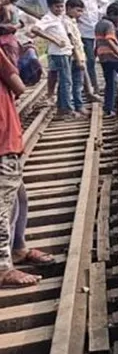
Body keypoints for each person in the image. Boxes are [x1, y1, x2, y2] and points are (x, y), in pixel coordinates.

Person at [0, 48, 47, 287]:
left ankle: (17, 248)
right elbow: (19, 86)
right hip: (2, 139)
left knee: (19, 197)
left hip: (7, 138)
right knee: (3, 206)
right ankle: (2, 267)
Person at [30, 0, 81, 118]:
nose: (59, 9)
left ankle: (61, 108)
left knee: (64, 81)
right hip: (59, 53)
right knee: (66, 81)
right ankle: (66, 110)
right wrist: (55, 40)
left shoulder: (58, 17)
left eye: (61, 6)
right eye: (57, 7)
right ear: (50, 7)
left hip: (65, 52)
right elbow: (35, 29)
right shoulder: (48, 18)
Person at [72, 0, 109, 99]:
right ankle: (94, 86)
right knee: (91, 61)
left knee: (105, 58)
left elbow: (106, 3)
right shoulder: (75, 0)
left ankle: (109, 83)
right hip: (84, 34)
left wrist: (99, 12)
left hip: (97, 32)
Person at [62, 0, 91, 112]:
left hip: (78, 56)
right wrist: (79, 59)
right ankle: (77, 106)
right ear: (69, 8)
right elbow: (71, 42)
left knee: (76, 83)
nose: (80, 14)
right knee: (76, 83)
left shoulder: (72, 21)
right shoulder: (66, 22)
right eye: (78, 10)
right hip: (74, 58)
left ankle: (75, 106)